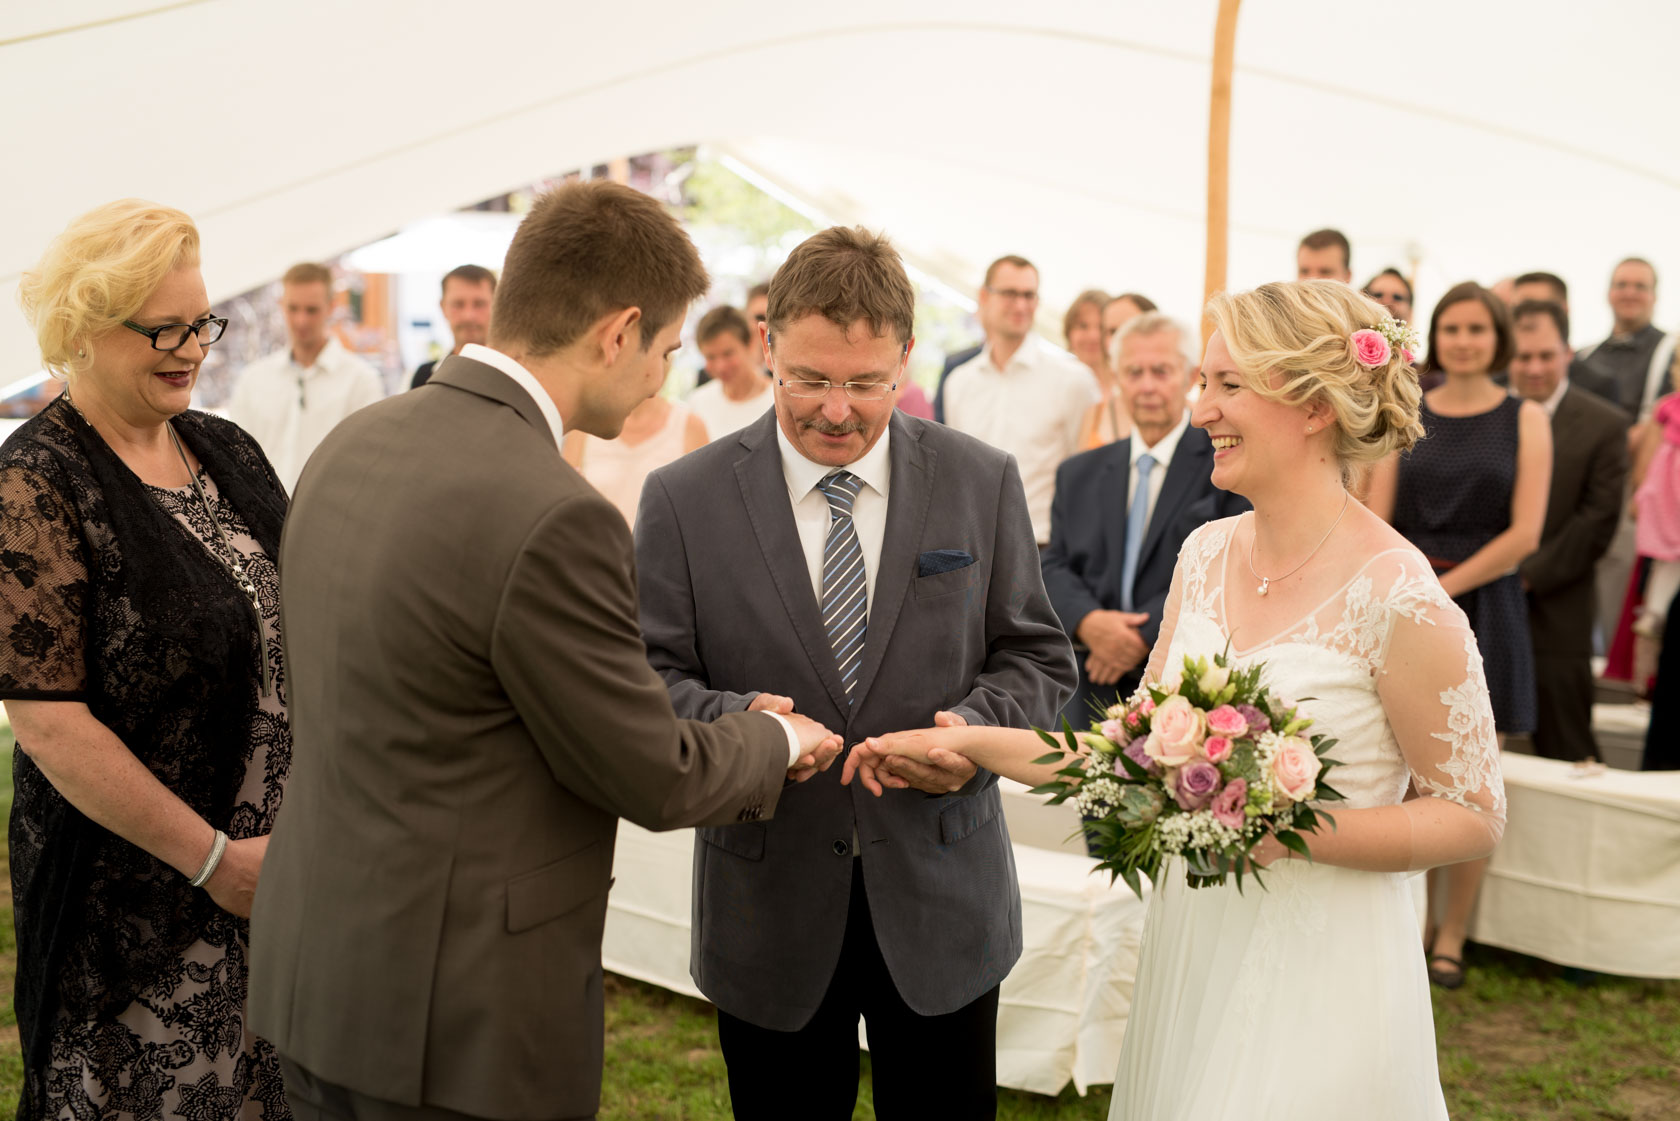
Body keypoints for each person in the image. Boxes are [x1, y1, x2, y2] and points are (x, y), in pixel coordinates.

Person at [246, 180, 843, 1121]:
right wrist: (776, 741)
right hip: (458, 1017)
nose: (662, 377)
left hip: (316, 975)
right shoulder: (555, 509)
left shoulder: (351, 441)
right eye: (665, 349)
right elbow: (649, 771)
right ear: (618, 333)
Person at [848, 279, 1506, 1121]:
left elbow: (1473, 811)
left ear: (1310, 404)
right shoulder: (1203, 555)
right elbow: (1128, 760)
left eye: (1227, 384)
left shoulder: (1399, 593)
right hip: (1196, 942)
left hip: (1326, 971)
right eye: (1204, 382)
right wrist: (973, 744)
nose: (1200, 411)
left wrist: (1286, 828)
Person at [634, 225, 1076, 1121]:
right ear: (767, 347)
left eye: (866, 383)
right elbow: (650, 675)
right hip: (769, 904)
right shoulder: (683, 498)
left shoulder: (979, 480)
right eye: (810, 379)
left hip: (943, 899)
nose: (836, 411)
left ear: (906, 360)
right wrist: (747, 728)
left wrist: (972, 733)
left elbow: (1036, 652)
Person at [3, 199, 293, 1119]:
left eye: (201, 322)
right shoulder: (36, 481)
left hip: (277, 884)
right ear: (83, 330)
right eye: (161, 329)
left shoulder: (231, 450)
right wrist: (214, 861)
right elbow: (49, 721)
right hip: (140, 903)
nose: (192, 347)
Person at [1369, 280, 1549, 991]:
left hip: (1489, 605)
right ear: (1435, 336)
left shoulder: (1525, 417)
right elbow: (1378, 516)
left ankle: (1453, 935)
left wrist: (1443, 589)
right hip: (1408, 600)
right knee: (1408, 773)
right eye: (1453, 328)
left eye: (1478, 328)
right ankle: (1407, 926)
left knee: (1474, 782)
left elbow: (1527, 532)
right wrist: (1412, 590)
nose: (1465, 340)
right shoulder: (1407, 408)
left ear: (1497, 338)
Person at [1042, 313, 1247, 730]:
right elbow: (1052, 563)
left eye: (1161, 371)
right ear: (1117, 377)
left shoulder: (1225, 465)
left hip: (1188, 683)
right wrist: (1090, 622)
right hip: (1086, 676)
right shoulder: (1077, 473)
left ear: (1192, 376)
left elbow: (1231, 564)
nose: (1147, 386)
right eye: (1134, 372)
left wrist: (1140, 636)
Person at [1509, 300, 1628, 761]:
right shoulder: (1490, 417)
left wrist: (1523, 574)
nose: (1535, 368)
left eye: (1545, 355)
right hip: (1479, 608)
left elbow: (1598, 521)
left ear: (1567, 353)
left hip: (1559, 615)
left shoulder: (1603, 424)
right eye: (1523, 357)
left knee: (1567, 747)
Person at [943, 255, 1099, 544]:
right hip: (972, 546)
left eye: (1029, 295)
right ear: (984, 297)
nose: (1021, 305)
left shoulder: (1073, 380)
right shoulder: (959, 383)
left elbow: (1086, 476)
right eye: (1010, 294)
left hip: (1042, 547)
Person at [225, 263, 383, 492]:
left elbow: (367, 462)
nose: (301, 320)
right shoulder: (253, 380)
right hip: (264, 519)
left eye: (311, 310)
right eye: (293, 308)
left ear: (331, 307)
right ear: (281, 306)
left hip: (329, 518)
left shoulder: (361, 381)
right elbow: (237, 458)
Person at [561, 390, 707, 529]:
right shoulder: (584, 425)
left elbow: (700, 512)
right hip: (596, 550)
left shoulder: (690, 426)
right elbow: (566, 503)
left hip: (661, 552)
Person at [1572, 258, 1668, 425]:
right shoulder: (1583, 356)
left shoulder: (1671, 351)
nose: (1630, 293)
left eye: (1640, 286)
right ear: (1609, 294)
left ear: (1654, 296)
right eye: (1621, 285)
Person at [1631, 364, 1680, 662]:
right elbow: (1645, 468)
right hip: (1667, 503)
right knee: (1666, 567)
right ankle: (1656, 616)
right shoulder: (1668, 408)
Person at [1079, 293, 1157, 450]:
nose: (1119, 339)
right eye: (1111, 331)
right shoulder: (1095, 415)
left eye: (1129, 328)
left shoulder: (1190, 413)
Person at [687, 305, 775, 440]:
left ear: (749, 344)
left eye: (728, 354)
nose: (720, 366)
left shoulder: (775, 399)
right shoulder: (698, 402)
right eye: (710, 357)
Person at [409, 263, 496, 388]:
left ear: (497, 306)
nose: (468, 316)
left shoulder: (515, 375)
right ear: (443, 307)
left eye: (479, 304)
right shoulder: (423, 377)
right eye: (458, 304)